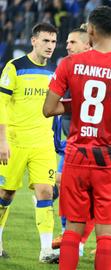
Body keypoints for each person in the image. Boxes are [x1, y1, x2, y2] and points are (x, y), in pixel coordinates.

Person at [43, 6, 111, 270]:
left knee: (72, 230)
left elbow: (49, 109)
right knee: (105, 234)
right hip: (110, 161)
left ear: (90, 31)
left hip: (76, 158)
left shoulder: (69, 64)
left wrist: (77, 103)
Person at [0, 22, 60, 263]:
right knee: (6, 193)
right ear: (34, 40)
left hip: (42, 144)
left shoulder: (53, 72)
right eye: (46, 41)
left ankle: (46, 250)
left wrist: (56, 139)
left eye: (54, 42)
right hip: (14, 143)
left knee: (46, 191)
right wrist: (2, 141)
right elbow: (1, 104)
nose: (50, 46)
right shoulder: (14, 68)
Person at [51, 27, 92, 250]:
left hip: (89, 142)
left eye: (72, 42)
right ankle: (71, 236)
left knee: (70, 186)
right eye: (67, 42)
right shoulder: (67, 66)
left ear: (87, 45)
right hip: (70, 140)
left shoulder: (90, 70)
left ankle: (77, 239)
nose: (67, 45)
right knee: (64, 184)